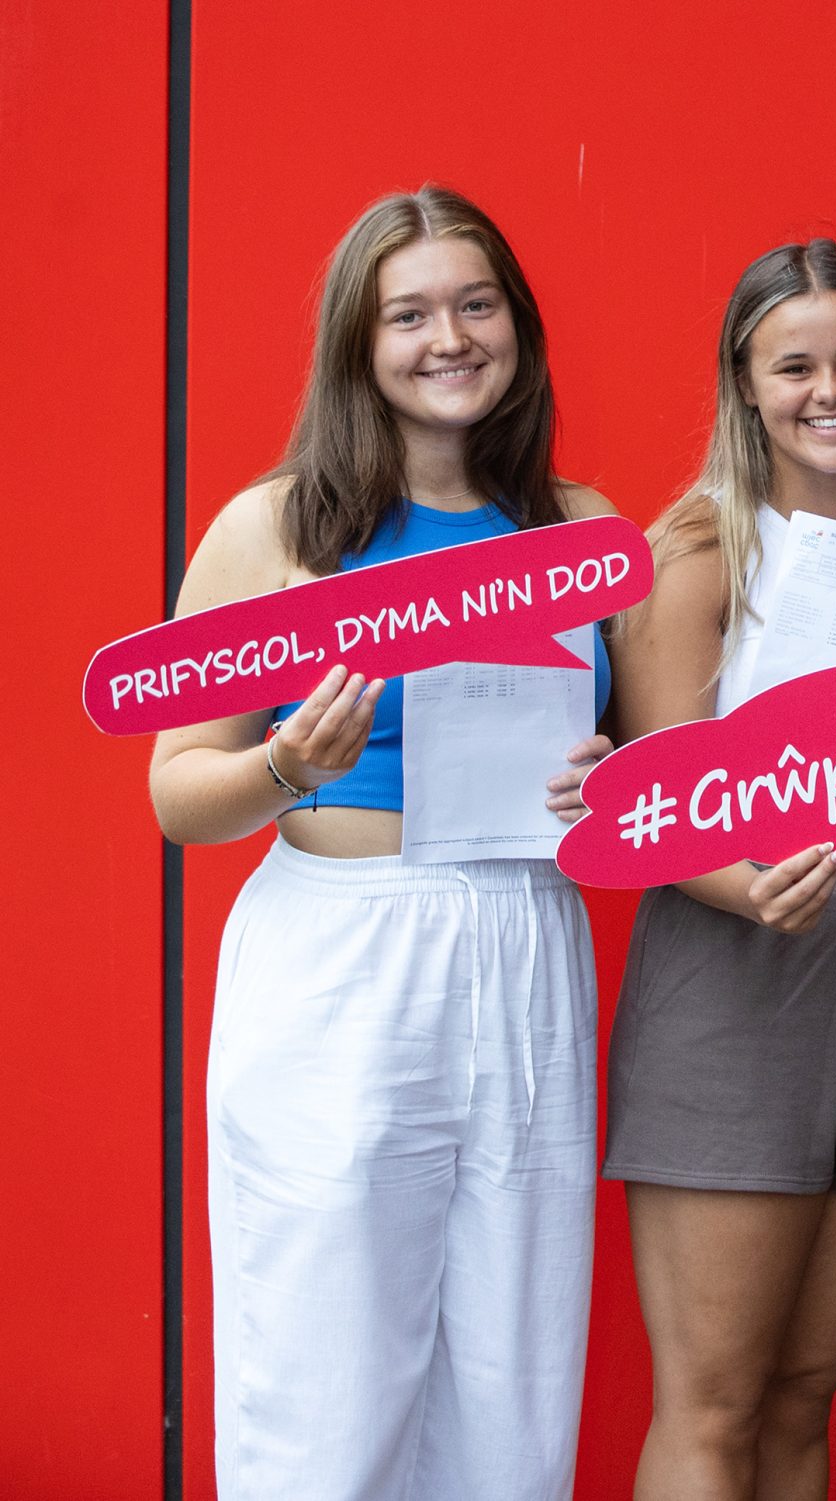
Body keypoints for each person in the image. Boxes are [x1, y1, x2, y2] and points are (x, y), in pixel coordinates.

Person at [150, 185, 615, 1500]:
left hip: (526, 944)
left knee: (512, 1379)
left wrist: (612, 783)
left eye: (476, 304)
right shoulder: (277, 527)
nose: (447, 338)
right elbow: (179, 793)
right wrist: (285, 763)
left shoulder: (580, 532)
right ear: (359, 343)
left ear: (516, 325)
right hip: (342, 953)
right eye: (408, 314)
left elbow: (646, 776)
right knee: (323, 1377)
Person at [601, 240, 836, 1500]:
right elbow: (655, 802)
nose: (832, 391)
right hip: (736, 972)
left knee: (803, 1397)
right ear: (745, 383)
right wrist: (750, 882)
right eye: (796, 365)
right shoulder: (696, 553)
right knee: (712, 1404)